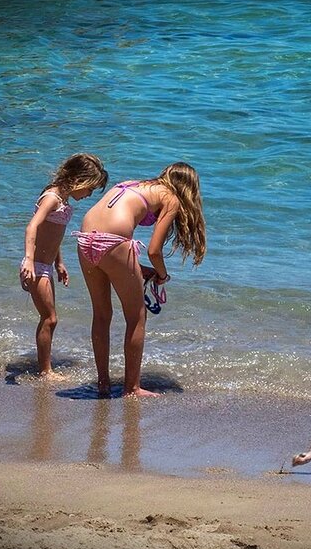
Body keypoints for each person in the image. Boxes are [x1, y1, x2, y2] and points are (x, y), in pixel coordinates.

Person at [73, 162, 207, 397]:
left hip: (85, 239)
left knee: (102, 314)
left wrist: (138, 268)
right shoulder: (171, 198)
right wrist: (162, 275)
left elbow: (109, 235)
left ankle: (103, 384)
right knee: (136, 318)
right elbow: (154, 250)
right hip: (114, 243)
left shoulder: (133, 184)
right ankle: (132, 388)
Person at [20, 152, 110, 379]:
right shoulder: (52, 198)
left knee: (49, 317)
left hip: (46, 265)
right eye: (90, 189)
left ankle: (44, 367)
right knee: (49, 318)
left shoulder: (63, 199)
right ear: (80, 180)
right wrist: (29, 260)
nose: (89, 195)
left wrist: (59, 262)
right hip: (36, 266)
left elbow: (51, 234)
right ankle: (45, 371)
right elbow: (32, 227)